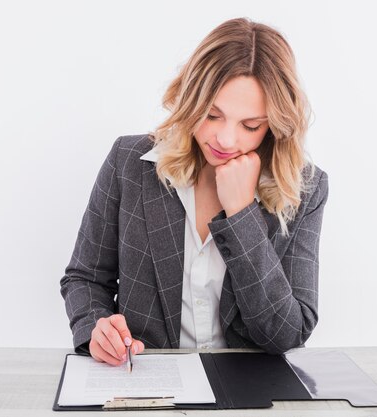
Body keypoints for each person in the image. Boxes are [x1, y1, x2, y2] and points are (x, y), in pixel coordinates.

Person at [60, 17, 329, 366]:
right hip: (147, 383)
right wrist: (96, 326)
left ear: (275, 126)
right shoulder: (129, 163)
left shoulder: (305, 189)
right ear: (191, 100)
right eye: (212, 115)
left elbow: (286, 333)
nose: (226, 139)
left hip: (250, 393)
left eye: (250, 125)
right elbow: (85, 277)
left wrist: (242, 212)